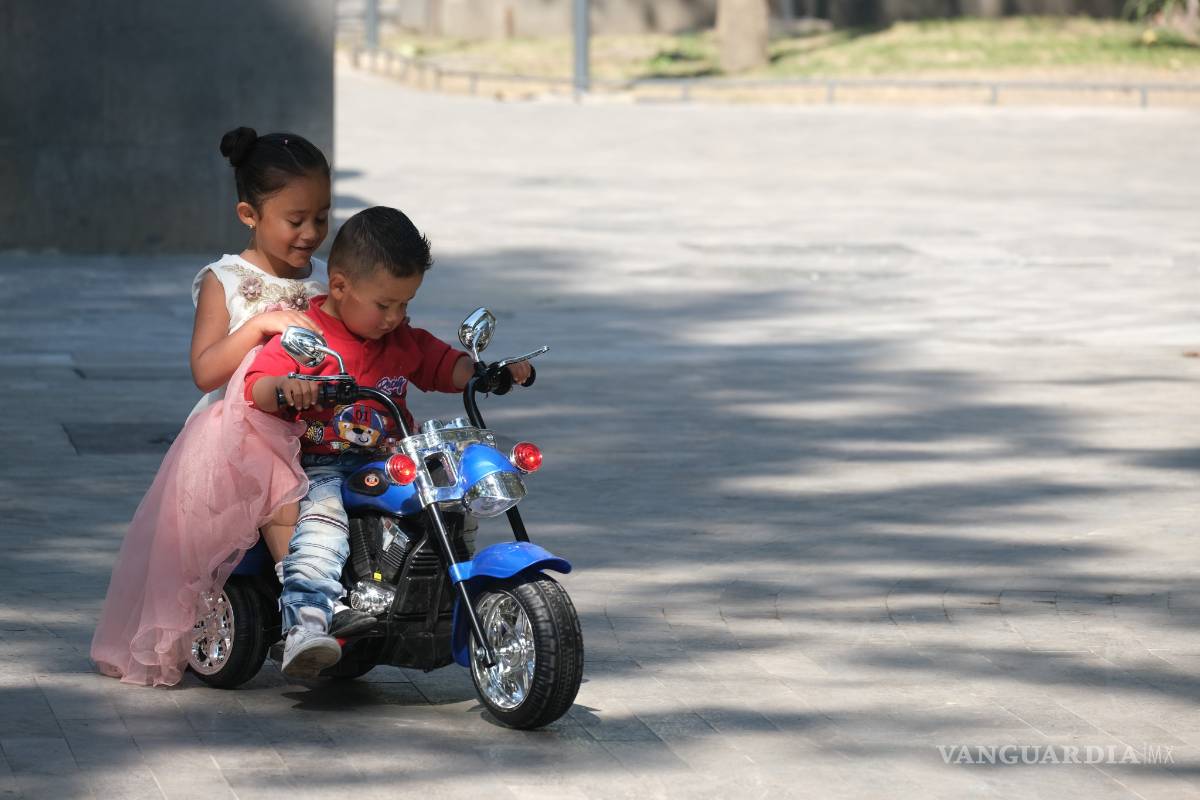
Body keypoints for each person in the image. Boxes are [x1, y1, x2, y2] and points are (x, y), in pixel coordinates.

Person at [242, 206, 531, 678]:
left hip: (391, 459)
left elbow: (444, 366)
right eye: (385, 305)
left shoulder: (402, 340)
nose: (395, 317)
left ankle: (440, 585)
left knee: (454, 490)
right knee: (323, 519)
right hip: (323, 462)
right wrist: (287, 387)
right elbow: (256, 385)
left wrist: (486, 373)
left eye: (405, 304)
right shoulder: (308, 336)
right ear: (339, 287)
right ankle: (307, 622)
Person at [90, 127, 332, 686]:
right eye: (295, 220)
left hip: (313, 423)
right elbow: (205, 369)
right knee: (275, 482)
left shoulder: (323, 283)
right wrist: (260, 326)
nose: (311, 233)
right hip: (237, 433)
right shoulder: (228, 280)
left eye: (320, 217)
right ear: (249, 213)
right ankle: (303, 602)